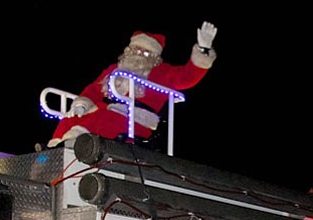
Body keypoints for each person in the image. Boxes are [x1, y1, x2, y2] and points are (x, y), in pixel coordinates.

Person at [46, 23, 217, 147]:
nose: (138, 56)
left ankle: (76, 147)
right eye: (134, 51)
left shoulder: (161, 72)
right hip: (104, 111)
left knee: (102, 119)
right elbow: (93, 89)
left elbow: (187, 77)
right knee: (69, 119)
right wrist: (81, 105)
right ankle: (51, 154)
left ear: (153, 56)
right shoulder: (114, 69)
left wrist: (203, 50)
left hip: (135, 119)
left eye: (144, 52)